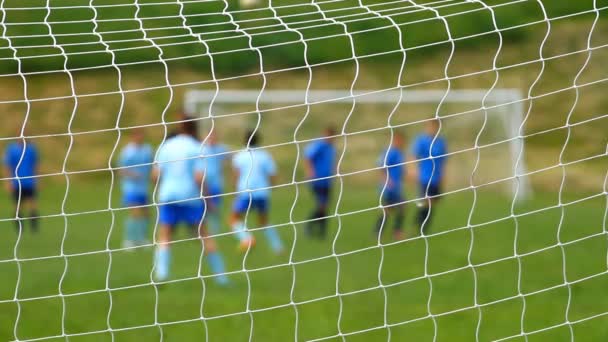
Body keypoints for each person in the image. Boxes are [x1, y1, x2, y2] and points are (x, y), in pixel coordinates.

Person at [152, 117, 228, 284]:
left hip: (168, 196)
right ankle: (221, 277)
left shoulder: (166, 146)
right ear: (195, 129)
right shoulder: (196, 147)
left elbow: (155, 175)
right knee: (204, 236)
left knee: (165, 235)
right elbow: (199, 177)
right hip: (190, 197)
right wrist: (208, 200)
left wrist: (163, 187)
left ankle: (161, 274)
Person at [230, 130, 284, 254]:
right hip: (262, 193)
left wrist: (234, 189)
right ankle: (278, 246)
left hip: (245, 192)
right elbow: (272, 174)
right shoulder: (265, 155)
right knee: (263, 222)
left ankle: (247, 239)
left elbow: (236, 175)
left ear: (245, 140)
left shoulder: (240, 156)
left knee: (234, 219)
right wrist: (272, 186)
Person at [409, 119, 448, 234]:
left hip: (436, 177)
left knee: (432, 203)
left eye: (435, 127)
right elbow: (413, 155)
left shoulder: (441, 142)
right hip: (424, 177)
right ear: (427, 127)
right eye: (431, 126)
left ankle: (422, 225)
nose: (433, 129)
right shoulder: (421, 140)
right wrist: (413, 171)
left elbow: (443, 160)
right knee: (426, 201)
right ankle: (419, 224)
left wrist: (443, 175)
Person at [118, 128, 154, 248]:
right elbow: (121, 170)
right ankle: (129, 240)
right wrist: (132, 174)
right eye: (137, 136)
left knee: (146, 214)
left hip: (143, 188)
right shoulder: (127, 151)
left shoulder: (147, 150)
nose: (140, 138)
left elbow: (152, 164)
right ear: (133, 137)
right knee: (135, 213)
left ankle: (142, 239)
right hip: (131, 188)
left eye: (141, 135)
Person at [303, 126, 336, 239]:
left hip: (327, 180)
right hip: (317, 179)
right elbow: (308, 157)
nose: (329, 138)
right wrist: (310, 172)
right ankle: (308, 225)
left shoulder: (331, 148)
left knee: (325, 205)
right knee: (322, 205)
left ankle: (322, 231)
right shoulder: (318, 145)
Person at [4, 133, 40, 233]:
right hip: (16, 182)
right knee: (17, 206)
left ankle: (34, 229)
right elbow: (7, 166)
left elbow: (36, 164)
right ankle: (20, 229)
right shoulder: (12, 149)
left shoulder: (31, 149)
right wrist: (8, 182)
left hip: (29, 181)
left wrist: (37, 179)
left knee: (33, 205)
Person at [374, 131, 406, 241]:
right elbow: (381, 167)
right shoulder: (390, 152)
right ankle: (394, 232)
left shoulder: (399, 153)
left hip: (396, 187)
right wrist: (387, 181)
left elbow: (400, 170)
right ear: (395, 140)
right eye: (399, 140)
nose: (401, 142)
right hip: (388, 188)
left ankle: (381, 231)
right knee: (396, 208)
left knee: (395, 209)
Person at [200, 130, 230, 236]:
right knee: (204, 207)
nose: (212, 139)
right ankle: (202, 230)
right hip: (204, 183)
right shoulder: (201, 149)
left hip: (217, 183)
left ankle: (215, 230)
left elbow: (231, 156)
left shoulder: (221, 149)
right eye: (209, 137)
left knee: (215, 207)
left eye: (213, 137)